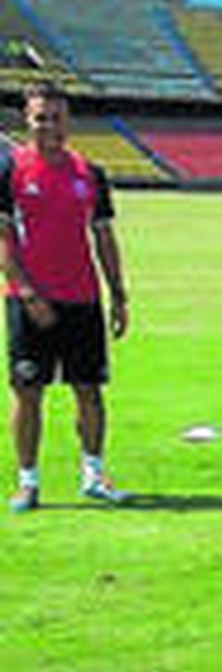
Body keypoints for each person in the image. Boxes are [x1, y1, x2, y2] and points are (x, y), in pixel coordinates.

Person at [4, 82, 130, 513]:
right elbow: (2, 239)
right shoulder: (10, 170)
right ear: (28, 119)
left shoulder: (90, 174)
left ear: (68, 121)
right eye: (41, 117)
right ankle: (28, 483)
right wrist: (25, 292)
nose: (49, 127)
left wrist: (119, 294)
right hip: (29, 301)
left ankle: (94, 475)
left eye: (57, 118)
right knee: (28, 392)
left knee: (90, 391)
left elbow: (104, 237)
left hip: (83, 299)